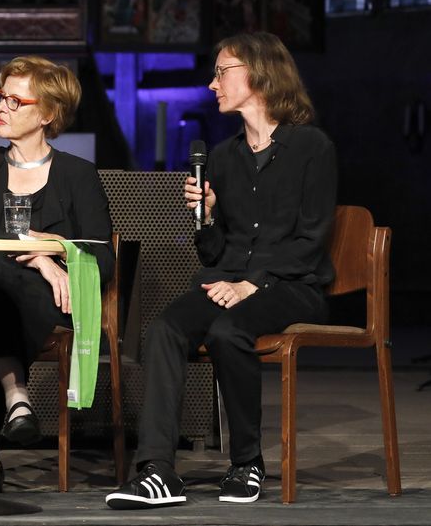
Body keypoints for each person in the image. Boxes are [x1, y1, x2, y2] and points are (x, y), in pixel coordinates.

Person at [105, 32, 336, 509]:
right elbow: (215, 254)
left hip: (292, 286)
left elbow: (311, 241)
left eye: (221, 71)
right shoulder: (224, 157)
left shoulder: (311, 147)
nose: (213, 84)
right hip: (228, 281)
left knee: (230, 331)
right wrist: (208, 215)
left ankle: (247, 461)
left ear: (258, 73)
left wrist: (253, 283)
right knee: (166, 328)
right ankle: (157, 471)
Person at [0, 55, 115, 495]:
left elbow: (103, 260)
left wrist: (54, 249)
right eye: (0, 96)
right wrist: (41, 254)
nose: (1, 106)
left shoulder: (78, 175)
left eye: (14, 99)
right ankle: (15, 395)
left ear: (47, 113)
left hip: (49, 302)